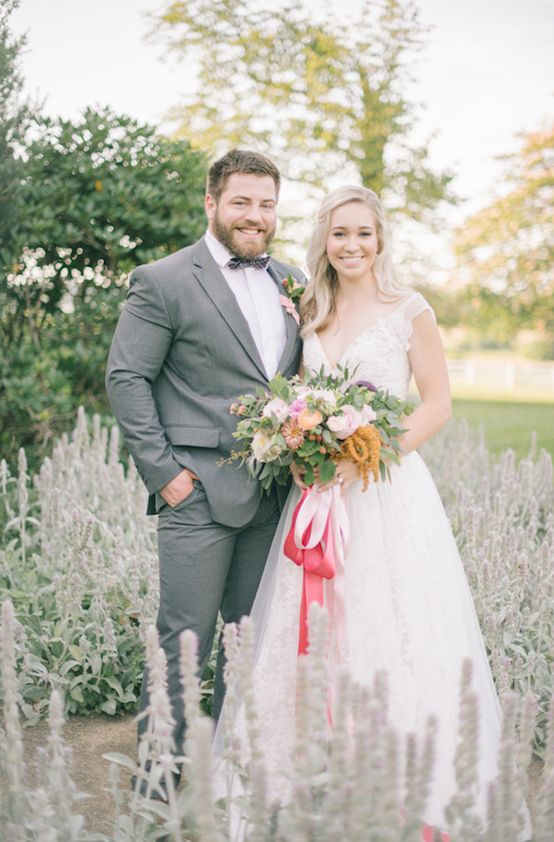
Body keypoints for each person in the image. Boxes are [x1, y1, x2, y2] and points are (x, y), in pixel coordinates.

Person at [217, 184, 530, 834]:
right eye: (339, 234)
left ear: (380, 238)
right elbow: (297, 397)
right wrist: (304, 442)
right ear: (323, 242)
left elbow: (438, 402)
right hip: (319, 494)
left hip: (385, 489)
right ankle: (303, 772)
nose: (352, 245)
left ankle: (400, 779)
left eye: (363, 233)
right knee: (318, 627)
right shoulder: (310, 310)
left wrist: (367, 453)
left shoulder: (409, 309)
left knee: (392, 624)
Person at [105, 149, 305, 793]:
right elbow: (126, 376)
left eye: (266, 203)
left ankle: (228, 780)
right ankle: (157, 789)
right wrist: (165, 474)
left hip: (273, 497)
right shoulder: (163, 280)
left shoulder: (294, 280)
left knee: (249, 643)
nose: (255, 215)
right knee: (181, 642)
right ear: (212, 203)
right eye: (242, 201)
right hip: (195, 493)